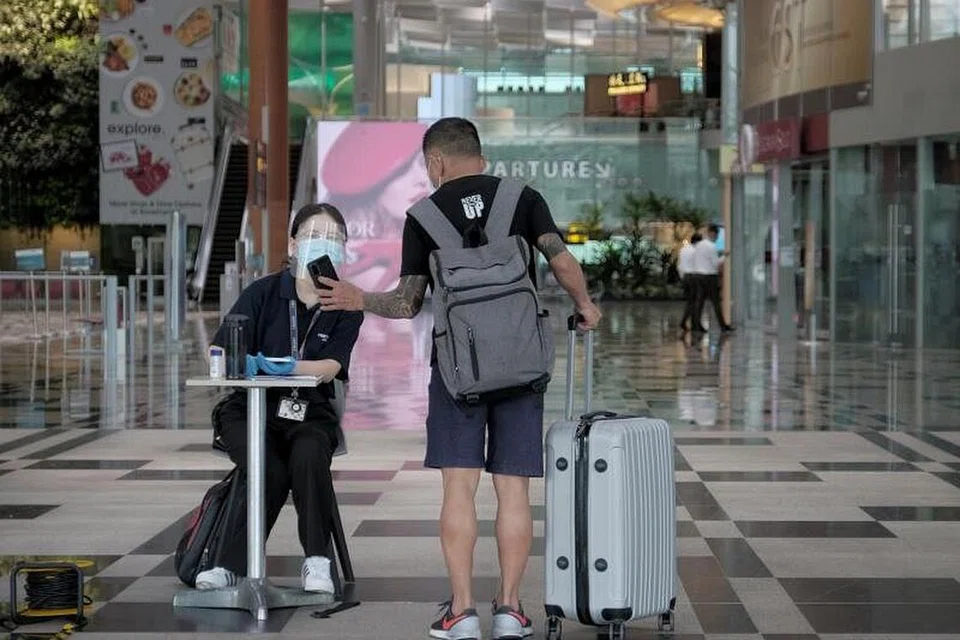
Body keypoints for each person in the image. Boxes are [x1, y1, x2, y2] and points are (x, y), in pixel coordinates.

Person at [317, 117, 601, 640]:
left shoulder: (423, 216)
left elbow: (407, 303)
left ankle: (463, 612)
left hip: (457, 373)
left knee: (459, 487)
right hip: (522, 367)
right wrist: (585, 305)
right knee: (513, 491)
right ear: (480, 155)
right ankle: (511, 611)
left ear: (436, 162)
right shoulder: (522, 197)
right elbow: (561, 260)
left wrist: (360, 298)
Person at [195, 203, 364, 593]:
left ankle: (317, 561)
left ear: (344, 249)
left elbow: (331, 366)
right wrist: (237, 362)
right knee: (266, 464)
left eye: (334, 238)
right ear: (292, 244)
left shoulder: (346, 304)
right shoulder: (263, 293)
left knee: (308, 455)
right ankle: (230, 565)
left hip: (310, 413)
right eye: (314, 235)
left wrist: (283, 368)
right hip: (248, 410)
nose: (324, 244)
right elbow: (219, 349)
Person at [691, 223, 733, 333]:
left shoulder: (699, 245)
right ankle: (723, 326)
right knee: (715, 302)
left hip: (698, 275)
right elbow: (715, 264)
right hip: (710, 276)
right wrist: (725, 256)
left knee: (699, 302)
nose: (717, 237)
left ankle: (696, 325)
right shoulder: (711, 246)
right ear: (713, 234)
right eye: (717, 235)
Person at [678, 232, 703, 333]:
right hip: (694, 277)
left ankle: (694, 323)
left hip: (685, 277)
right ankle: (685, 322)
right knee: (694, 302)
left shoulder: (683, 249)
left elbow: (680, 265)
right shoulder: (696, 251)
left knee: (690, 301)